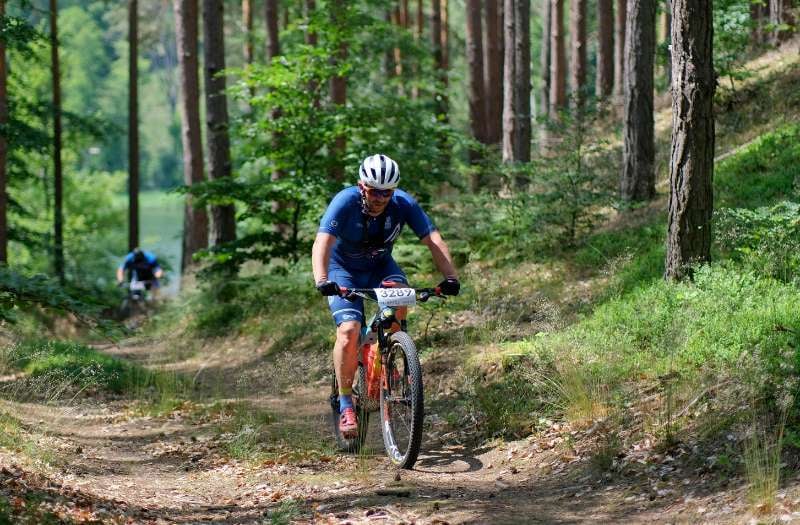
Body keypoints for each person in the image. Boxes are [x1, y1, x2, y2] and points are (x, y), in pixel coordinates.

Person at [311, 154, 460, 438]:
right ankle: (346, 405)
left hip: (380, 268)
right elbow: (322, 243)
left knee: (401, 301)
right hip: (343, 271)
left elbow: (434, 240)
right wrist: (323, 280)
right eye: (374, 191)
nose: (380, 198)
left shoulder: (403, 203)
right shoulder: (345, 202)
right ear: (361, 186)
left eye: (386, 192)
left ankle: (384, 354)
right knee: (349, 330)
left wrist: (451, 277)